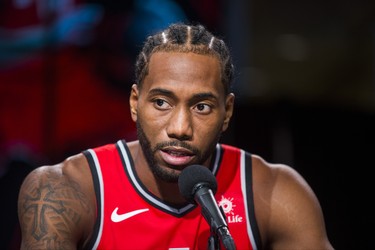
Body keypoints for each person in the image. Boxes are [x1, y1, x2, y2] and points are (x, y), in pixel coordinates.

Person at [17, 23, 334, 250]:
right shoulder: (63, 190)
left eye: (202, 106)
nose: (180, 127)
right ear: (134, 103)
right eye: (161, 103)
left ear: (227, 112)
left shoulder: (277, 194)